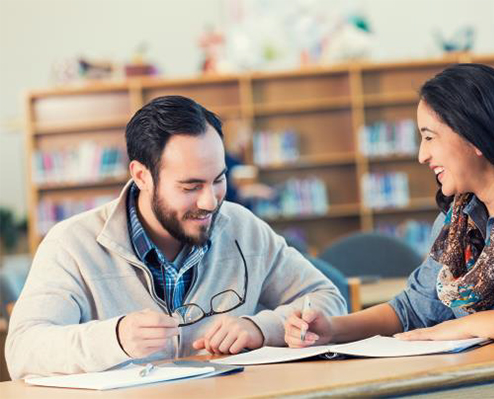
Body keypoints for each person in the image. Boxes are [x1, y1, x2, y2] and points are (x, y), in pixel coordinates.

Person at [6, 95, 347, 379]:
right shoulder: (71, 243)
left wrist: (262, 328)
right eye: (190, 186)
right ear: (142, 176)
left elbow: (325, 298)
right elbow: (23, 350)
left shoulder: (242, 227)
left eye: (218, 179)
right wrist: (115, 338)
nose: (210, 201)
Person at [284, 63, 494, 348]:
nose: (422, 155)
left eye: (430, 137)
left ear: (475, 137)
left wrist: (464, 326)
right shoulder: (458, 224)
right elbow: (414, 309)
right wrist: (332, 329)